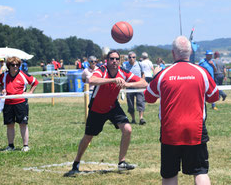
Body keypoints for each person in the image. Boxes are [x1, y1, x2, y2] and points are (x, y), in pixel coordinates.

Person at [144, 36, 219, 185]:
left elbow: (149, 98)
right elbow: (213, 97)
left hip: (170, 131)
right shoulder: (202, 72)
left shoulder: (162, 75)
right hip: (195, 130)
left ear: (173, 53)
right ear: (190, 52)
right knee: (200, 172)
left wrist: (155, 77)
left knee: (169, 174)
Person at [67, 50, 148, 175]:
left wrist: (126, 84)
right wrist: (113, 80)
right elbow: (92, 80)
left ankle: (122, 162)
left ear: (120, 61)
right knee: (88, 136)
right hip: (97, 108)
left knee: (128, 129)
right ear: (107, 60)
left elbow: (144, 82)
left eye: (116, 59)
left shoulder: (123, 72)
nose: (114, 61)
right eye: (111, 59)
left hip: (112, 106)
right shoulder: (102, 70)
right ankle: (76, 163)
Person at [0, 56, 39, 152]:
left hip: (21, 103)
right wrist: (1, 90)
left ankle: (25, 146)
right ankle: (11, 146)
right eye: (13, 65)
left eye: (17, 65)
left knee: (23, 124)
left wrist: (30, 93)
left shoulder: (23, 74)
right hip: (8, 103)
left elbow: (35, 82)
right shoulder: (4, 75)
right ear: (9, 66)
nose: (15, 66)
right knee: (10, 125)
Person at [122, 52, 146, 125]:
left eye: (133, 57)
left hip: (139, 86)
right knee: (130, 104)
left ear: (135, 58)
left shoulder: (139, 64)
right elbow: (123, 75)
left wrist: (142, 82)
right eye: (130, 57)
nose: (131, 59)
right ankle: (133, 119)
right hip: (129, 87)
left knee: (140, 102)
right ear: (128, 58)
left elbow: (143, 74)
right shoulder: (125, 65)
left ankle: (141, 118)